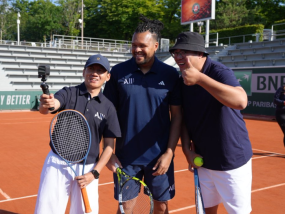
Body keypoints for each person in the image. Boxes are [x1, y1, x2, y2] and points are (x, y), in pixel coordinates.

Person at [103, 15, 182, 214]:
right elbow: (108, 116)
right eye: (133, 45)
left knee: (162, 206)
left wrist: (169, 153)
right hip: (125, 158)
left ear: (156, 46)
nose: (137, 49)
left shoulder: (170, 75)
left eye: (142, 46)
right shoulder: (119, 73)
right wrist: (109, 152)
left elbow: (177, 117)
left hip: (159, 158)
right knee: (125, 207)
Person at [170, 32, 253, 214]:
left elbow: (241, 101)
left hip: (231, 160)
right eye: (175, 53)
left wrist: (200, 79)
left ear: (200, 53)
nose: (178, 57)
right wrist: (186, 149)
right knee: (207, 210)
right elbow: (183, 118)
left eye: (184, 52)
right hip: (203, 162)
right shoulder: (182, 80)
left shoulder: (219, 71)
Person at [34, 54, 121, 214]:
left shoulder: (109, 107)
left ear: (107, 77)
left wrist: (94, 173)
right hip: (58, 163)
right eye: (91, 68)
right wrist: (47, 103)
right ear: (84, 72)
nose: (95, 73)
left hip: (88, 168)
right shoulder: (69, 92)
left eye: (100, 70)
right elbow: (50, 106)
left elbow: (109, 147)